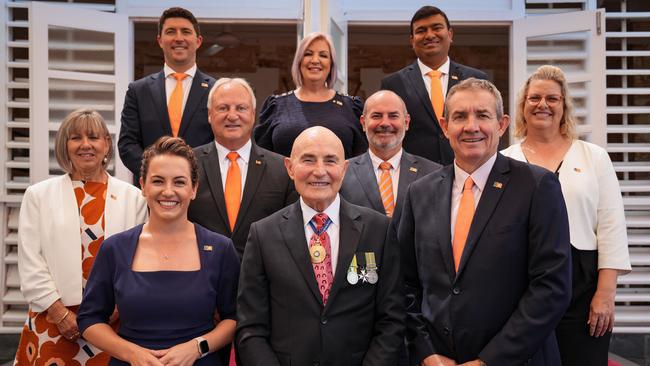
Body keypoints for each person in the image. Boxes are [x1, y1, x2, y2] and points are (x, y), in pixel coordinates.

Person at [397, 78, 572, 366]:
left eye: (482, 115)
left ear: (502, 124)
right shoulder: (419, 193)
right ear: (444, 126)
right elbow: (403, 283)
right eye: (460, 116)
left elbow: (551, 287)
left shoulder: (538, 187)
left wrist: (488, 361)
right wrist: (425, 352)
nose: (471, 126)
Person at [237, 127, 404, 366]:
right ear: (289, 168)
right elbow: (251, 328)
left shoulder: (378, 230)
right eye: (308, 160)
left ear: (344, 169)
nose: (319, 171)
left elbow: (392, 320)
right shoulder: (263, 235)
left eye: (330, 160)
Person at [501, 65, 631, 366]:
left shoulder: (593, 156)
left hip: (583, 286)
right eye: (534, 98)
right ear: (523, 106)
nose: (542, 105)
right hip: (521, 286)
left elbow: (611, 226)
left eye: (552, 98)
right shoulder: (506, 160)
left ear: (564, 106)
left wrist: (605, 294)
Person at [77, 136, 240, 366]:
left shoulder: (221, 249)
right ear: (143, 186)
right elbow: (89, 319)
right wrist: (131, 353)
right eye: (158, 181)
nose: (168, 191)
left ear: (194, 189)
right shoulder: (114, 248)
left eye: (179, 182)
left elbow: (234, 318)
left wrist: (197, 347)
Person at [14, 109, 147, 366]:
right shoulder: (38, 196)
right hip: (52, 321)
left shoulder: (135, 198)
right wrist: (60, 315)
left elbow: (139, 262)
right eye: (75, 138)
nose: (85, 145)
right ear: (65, 145)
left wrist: (110, 314)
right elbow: (30, 262)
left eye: (94, 137)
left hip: (112, 326)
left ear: (106, 144)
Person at [187, 78, 297, 258]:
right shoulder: (188, 164)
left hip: (262, 278)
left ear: (253, 114)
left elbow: (290, 232)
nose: (232, 115)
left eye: (241, 108)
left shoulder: (282, 170)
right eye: (223, 108)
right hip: (200, 276)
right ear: (209, 115)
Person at [118, 7, 216, 185]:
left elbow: (222, 142)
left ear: (198, 41)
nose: (179, 38)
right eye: (171, 32)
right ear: (160, 40)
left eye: (186, 32)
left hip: (203, 191)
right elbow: (127, 144)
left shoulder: (216, 90)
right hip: (151, 193)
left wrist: (190, 176)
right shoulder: (138, 91)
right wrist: (156, 174)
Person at [381, 6, 488, 165]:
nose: (430, 35)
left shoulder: (476, 79)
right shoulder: (393, 84)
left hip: (468, 170)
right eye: (421, 30)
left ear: (450, 34)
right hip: (414, 177)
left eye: (436, 28)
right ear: (412, 40)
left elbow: (488, 125)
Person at [253, 32, 367, 159]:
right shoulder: (275, 106)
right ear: (299, 61)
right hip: (284, 179)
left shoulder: (351, 107)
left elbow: (361, 163)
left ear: (331, 64)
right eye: (308, 54)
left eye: (323, 55)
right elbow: (262, 159)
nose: (315, 60)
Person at [340, 90, 440, 221]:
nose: (385, 123)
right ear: (363, 123)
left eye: (393, 116)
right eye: (376, 116)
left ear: (406, 122)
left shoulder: (433, 174)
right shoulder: (342, 172)